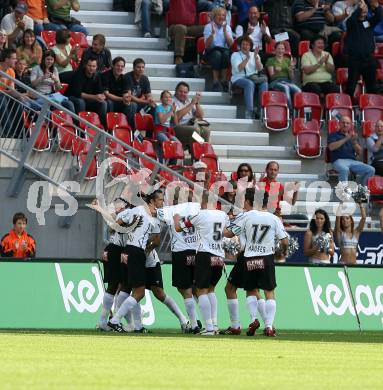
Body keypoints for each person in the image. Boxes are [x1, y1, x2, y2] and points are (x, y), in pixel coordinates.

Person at [227, 187, 288, 337]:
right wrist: (283, 249)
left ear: (249, 201)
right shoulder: (274, 218)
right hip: (266, 258)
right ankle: (269, 326)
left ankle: (254, 319)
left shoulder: (246, 216)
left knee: (251, 290)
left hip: (249, 257)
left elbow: (227, 233)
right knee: (269, 292)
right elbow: (285, 240)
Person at [173, 191, 231, 335]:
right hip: (219, 257)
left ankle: (209, 328)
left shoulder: (199, 215)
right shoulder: (223, 215)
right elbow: (227, 233)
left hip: (205, 255)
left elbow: (179, 227)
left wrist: (176, 218)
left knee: (200, 290)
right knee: (211, 289)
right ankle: (215, 325)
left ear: (202, 201)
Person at [107, 197, 162, 332]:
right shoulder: (154, 218)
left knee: (128, 287)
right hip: (136, 252)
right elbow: (157, 241)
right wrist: (147, 249)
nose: (161, 203)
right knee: (139, 291)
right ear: (151, 202)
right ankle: (114, 320)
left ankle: (137, 326)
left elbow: (115, 226)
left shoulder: (134, 211)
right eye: (159, 200)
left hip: (126, 251)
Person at [96, 198, 129, 331]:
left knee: (118, 285)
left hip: (115, 250)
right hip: (115, 250)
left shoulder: (125, 213)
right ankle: (108, 321)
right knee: (119, 285)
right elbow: (112, 229)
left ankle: (108, 321)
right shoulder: (125, 213)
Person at [344, 0, 383, 97]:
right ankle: (349, 107)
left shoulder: (369, 22)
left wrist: (377, 6)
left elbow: (379, 16)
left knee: (373, 87)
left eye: (365, 7)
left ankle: (371, 107)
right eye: (362, 8)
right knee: (351, 87)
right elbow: (352, 19)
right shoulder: (351, 23)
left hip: (369, 59)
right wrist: (359, 9)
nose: (364, 9)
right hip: (355, 60)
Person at [328, 116, 375, 185]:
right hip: (338, 160)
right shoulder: (333, 135)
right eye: (343, 123)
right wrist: (347, 138)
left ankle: (363, 189)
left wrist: (354, 142)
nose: (345, 125)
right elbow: (331, 147)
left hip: (352, 161)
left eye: (347, 123)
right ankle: (343, 192)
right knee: (344, 169)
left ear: (350, 125)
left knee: (371, 170)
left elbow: (359, 153)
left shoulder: (353, 136)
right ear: (339, 124)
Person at [230, 35, 268, 119]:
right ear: (240, 45)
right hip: (239, 78)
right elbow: (238, 69)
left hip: (253, 77)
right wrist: (247, 58)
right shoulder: (235, 55)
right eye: (243, 44)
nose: (245, 46)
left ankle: (260, 111)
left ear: (250, 46)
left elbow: (260, 69)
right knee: (249, 83)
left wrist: (255, 57)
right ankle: (249, 112)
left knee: (264, 84)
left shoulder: (255, 54)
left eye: (247, 45)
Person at [66, 57, 107, 127]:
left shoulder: (97, 75)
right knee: (81, 102)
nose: (91, 68)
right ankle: (81, 126)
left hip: (88, 99)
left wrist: (102, 96)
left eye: (93, 66)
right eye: (89, 66)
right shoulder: (78, 74)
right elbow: (78, 93)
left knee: (103, 103)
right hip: (72, 97)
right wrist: (95, 97)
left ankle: (101, 127)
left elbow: (100, 91)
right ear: (85, 65)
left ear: (96, 67)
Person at [173, 81, 210, 156]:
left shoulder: (189, 101)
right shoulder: (171, 101)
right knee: (195, 131)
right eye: (180, 91)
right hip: (177, 127)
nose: (183, 94)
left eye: (185, 92)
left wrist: (197, 103)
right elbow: (177, 116)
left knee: (206, 130)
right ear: (176, 91)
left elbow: (200, 116)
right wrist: (191, 104)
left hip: (190, 125)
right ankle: (196, 156)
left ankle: (203, 155)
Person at [203, 7, 234, 92]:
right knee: (217, 54)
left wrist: (225, 32)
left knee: (226, 54)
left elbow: (231, 44)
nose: (221, 17)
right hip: (210, 51)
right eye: (219, 15)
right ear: (214, 16)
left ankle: (223, 80)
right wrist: (212, 34)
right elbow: (207, 45)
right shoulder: (208, 27)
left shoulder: (227, 27)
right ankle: (215, 81)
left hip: (224, 51)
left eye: (223, 15)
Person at [102, 56, 136, 129]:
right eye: (118, 65)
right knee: (109, 102)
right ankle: (109, 128)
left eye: (122, 66)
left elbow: (126, 94)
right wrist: (122, 99)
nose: (120, 68)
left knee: (132, 105)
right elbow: (106, 94)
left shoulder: (124, 78)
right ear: (113, 65)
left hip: (119, 101)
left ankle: (127, 128)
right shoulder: (105, 75)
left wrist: (127, 99)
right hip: (108, 101)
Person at [167, 0, 204, 64]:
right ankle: (178, 57)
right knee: (181, 28)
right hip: (175, 26)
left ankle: (204, 57)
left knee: (208, 28)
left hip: (190, 27)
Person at [266, 41, 301, 109]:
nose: (280, 51)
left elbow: (292, 78)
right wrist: (276, 72)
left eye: (282, 49)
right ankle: (290, 111)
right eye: (279, 49)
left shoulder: (287, 60)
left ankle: (298, 111)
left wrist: (291, 70)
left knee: (298, 90)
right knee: (285, 88)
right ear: (275, 50)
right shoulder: (270, 60)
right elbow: (272, 77)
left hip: (287, 81)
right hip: (275, 81)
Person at [154, 90, 181, 164]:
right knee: (167, 143)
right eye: (165, 97)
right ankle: (165, 163)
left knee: (178, 143)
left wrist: (174, 112)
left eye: (169, 97)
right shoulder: (159, 107)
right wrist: (170, 111)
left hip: (168, 131)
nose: (168, 99)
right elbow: (161, 121)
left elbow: (176, 123)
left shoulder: (170, 108)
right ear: (161, 99)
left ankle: (172, 164)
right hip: (159, 131)